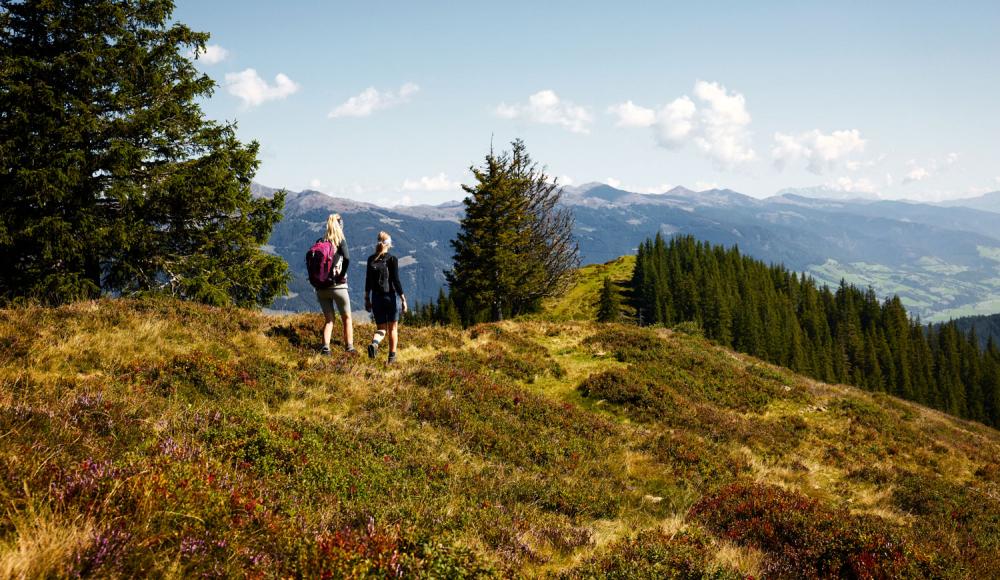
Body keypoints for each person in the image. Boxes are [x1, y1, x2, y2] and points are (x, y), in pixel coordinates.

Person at [365, 231, 408, 364]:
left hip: (376, 298)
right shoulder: (392, 259)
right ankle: (392, 358)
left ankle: (375, 343)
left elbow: (368, 281)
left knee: (381, 329)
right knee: (393, 329)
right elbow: (396, 280)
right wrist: (403, 299)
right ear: (388, 244)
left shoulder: (371, 259)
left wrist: (367, 298)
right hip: (389, 297)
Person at [315, 214, 355, 354]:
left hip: (321, 288)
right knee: (347, 318)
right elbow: (348, 258)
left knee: (329, 320)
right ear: (340, 225)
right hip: (338, 287)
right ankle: (349, 347)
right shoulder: (340, 241)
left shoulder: (320, 242)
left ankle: (325, 347)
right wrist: (342, 275)